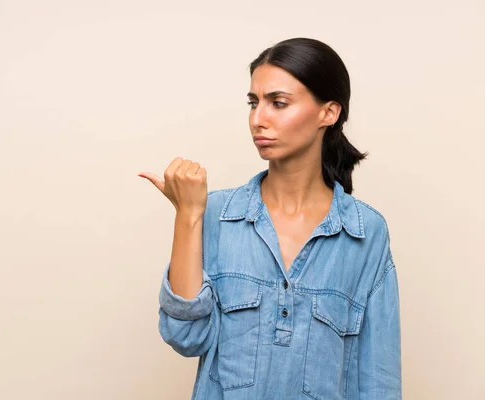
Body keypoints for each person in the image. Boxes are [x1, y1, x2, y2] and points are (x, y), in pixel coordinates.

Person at [139, 37, 402, 400]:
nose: (258, 119)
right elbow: (186, 337)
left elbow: (378, 380)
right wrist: (188, 214)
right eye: (253, 103)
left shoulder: (364, 232)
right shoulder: (216, 214)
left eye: (278, 103)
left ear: (329, 112)